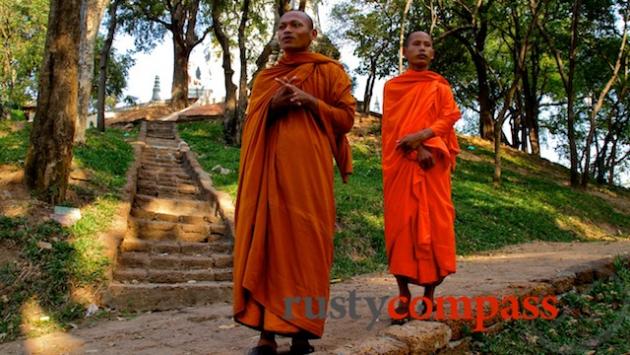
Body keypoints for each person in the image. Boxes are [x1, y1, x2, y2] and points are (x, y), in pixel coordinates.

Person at [232, 10, 355, 355]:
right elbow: (252, 124)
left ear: (312, 33)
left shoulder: (328, 71)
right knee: (267, 245)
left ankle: (301, 332)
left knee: (307, 245)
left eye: (295, 25)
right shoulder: (266, 78)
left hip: (310, 176)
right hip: (268, 176)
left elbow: (346, 119)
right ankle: (266, 336)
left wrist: (312, 102)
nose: (287, 30)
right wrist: (274, 104)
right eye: (282, 26)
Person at [381, 31, 461, 324]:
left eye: (428, 45)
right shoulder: (393, 87)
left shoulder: (440, 86)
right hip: (401, 165)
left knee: (437, 226)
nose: (422, 49)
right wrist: (414, 150)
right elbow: (392, 130)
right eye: (416, 44)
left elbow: (450, 117)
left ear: (433, 53)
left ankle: (428, 297)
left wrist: (423, 138)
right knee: (401, 227)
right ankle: (403, 296)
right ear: (405, 51)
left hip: (434, 168)